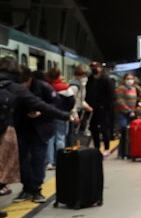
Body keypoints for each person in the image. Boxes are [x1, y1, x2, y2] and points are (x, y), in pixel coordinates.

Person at [0, 60, 71, 203]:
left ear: (29, 80)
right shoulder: (14, 87)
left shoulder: (42, 88)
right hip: (18, 127)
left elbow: (49, 105)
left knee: (38, 158)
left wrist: (42, 114)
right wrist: (65, 116)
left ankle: (35, 189)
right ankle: (29, 188)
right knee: (20, 160)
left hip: (39, 128)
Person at [83, 61, 115, 155]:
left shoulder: (106, 80)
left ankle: (106, 148)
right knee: (93, 128)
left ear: (100, 68)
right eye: (92, 68)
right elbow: (87, 93)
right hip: (91, 108)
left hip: (103, 109)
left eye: (95, 67)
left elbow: (111, 95)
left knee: (104, 128)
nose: (94, 69)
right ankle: (96, 147)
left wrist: (105, 106)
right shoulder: (90, 80)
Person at [113, 72, 139, 159]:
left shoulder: (134, 89)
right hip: (122, 113)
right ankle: (121, 153)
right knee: (124, 131)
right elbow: (120, 101)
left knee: (131, 133)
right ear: (124, 80)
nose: (130, 80)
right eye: (128, 79)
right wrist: (128, 111)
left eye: (131, 78)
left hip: (132, 113)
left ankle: (129, 152)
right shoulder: (121, 89)